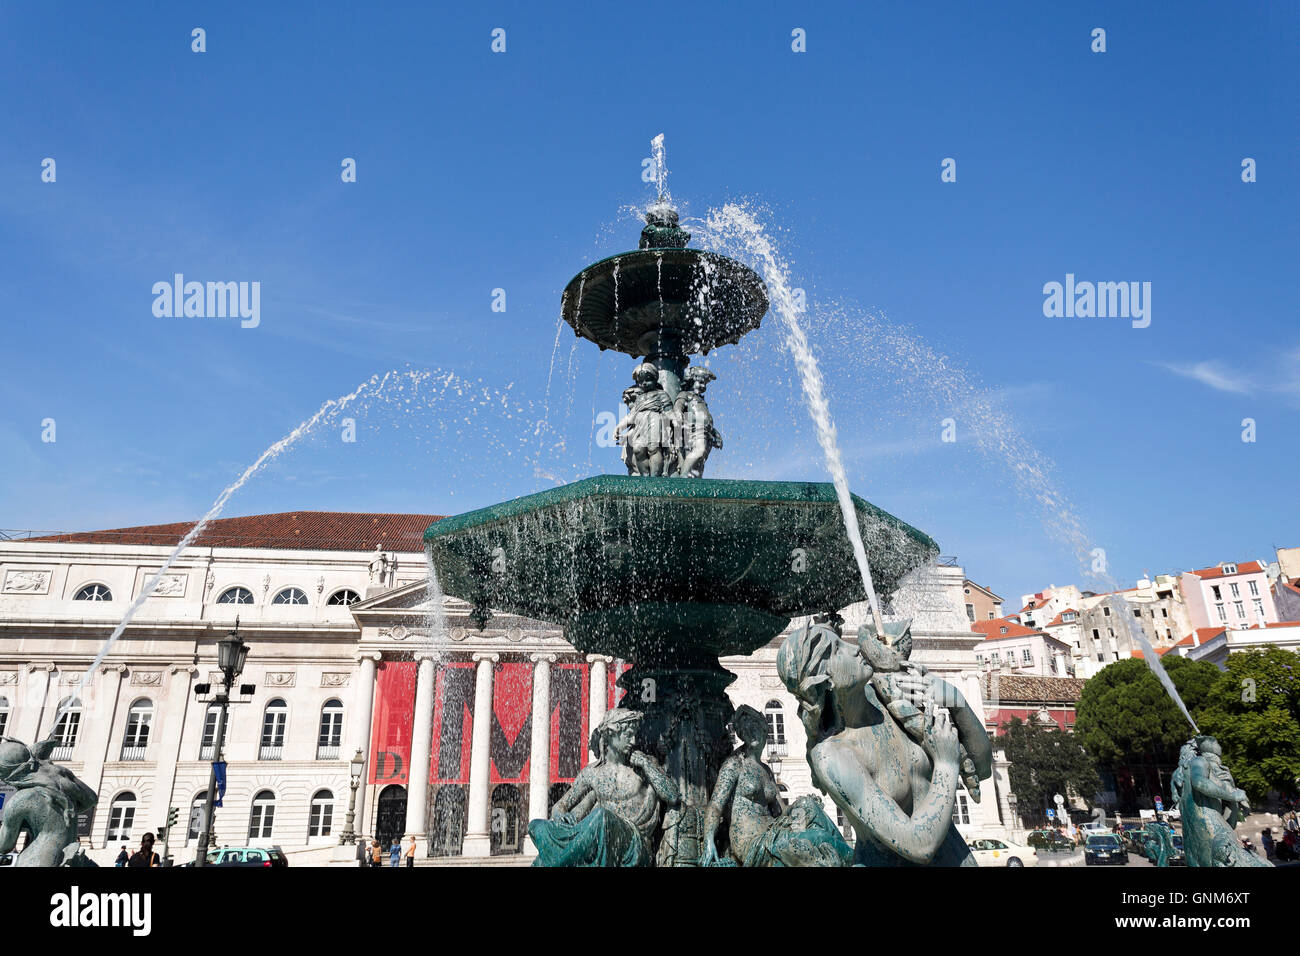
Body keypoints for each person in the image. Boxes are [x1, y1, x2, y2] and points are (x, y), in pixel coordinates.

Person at [776, 621, 992, 866]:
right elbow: (918, 845)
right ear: (825, 680)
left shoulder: (889, 695)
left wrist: (956, 701)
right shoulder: (832, 756)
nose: (855, 648)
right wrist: (945, 764)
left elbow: (982, 768)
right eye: (838, 650)